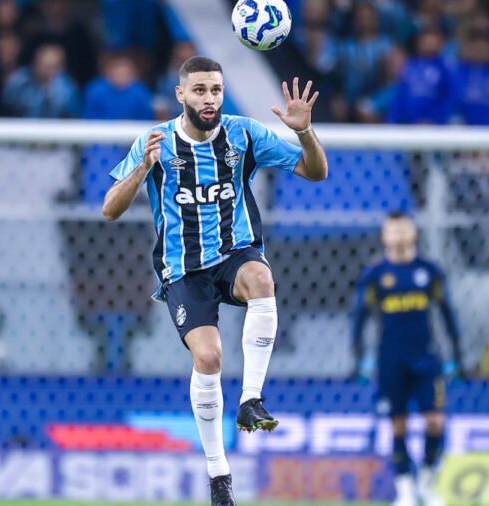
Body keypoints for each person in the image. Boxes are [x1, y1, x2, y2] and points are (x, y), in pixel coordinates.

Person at [101, 56, 327, 506]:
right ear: (181, 94)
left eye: (216, 90)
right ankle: (219, 475)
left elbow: (315, 171)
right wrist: (142, 169)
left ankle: (251, 399)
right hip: (184, 269)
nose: (209, 99)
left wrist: (304, 131)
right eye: (200, 90)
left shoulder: (244, 134)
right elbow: (109, 208)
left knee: (261, 278)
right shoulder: (156, 141)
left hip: (234, 254)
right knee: (208, 357)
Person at [350, 213, 464, 506]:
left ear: (414, 232)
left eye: (403, 228)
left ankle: (426, 483)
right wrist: (359, 358)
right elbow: (360, 318)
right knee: (398, 425)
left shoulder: (429, 271)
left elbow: (446, 313)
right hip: (391, 360)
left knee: (435, 422)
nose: (399, 234)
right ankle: (405, 492)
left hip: (426, 359)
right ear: (384, 236)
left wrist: (456, 355)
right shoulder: (375, 275)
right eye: (393, 230)